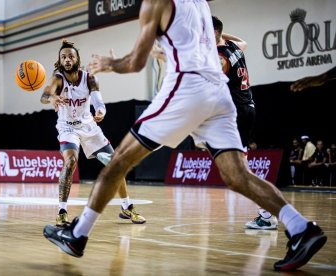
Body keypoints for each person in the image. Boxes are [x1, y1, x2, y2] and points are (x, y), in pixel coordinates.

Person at [43, 0, 327, 272]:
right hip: (219, 94)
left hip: (186, 90)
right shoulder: (202, 4)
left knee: (117, 162)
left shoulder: (156, 3)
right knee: (238, 176)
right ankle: (301, 228)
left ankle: (78, 235)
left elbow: (135, 63)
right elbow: (202, 44)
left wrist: (110, 63)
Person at [40, 40, 145, 226]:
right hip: (67, 128)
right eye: (63, 57)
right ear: (60, 60)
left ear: (77, 59)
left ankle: (126, 207)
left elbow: (99, 103)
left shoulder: (89, 78)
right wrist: (53, 98)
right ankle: (62, 211)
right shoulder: (57, 78)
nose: (67, 59)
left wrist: (100, 112)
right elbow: (45, 95)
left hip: (89, 127)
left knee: (115, 165)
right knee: (70, 162)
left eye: (71, 56)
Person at [212, 16, 278, 231]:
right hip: (247, 108)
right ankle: (267, 213)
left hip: (237, 113)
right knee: (241, 169)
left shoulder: (220, 57)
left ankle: (268, 213)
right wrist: (220, 35)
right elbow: (243, 41)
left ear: (213, 33)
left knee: (241, 172)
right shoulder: (233, 46)